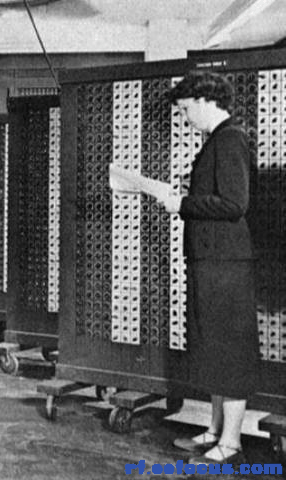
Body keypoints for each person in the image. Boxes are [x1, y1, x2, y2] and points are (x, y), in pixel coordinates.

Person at [155, 70, 257, 466]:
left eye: (184, 109)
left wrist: (182, 204)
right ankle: (215, 431)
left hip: (225, 265)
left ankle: (230, 442)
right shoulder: (218, 139)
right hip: (212, 261)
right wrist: (190, 189)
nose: (184, 118)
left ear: (204, 100)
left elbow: (234, 204)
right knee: (214, 347)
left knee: (228, 350)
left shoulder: (230, 139)